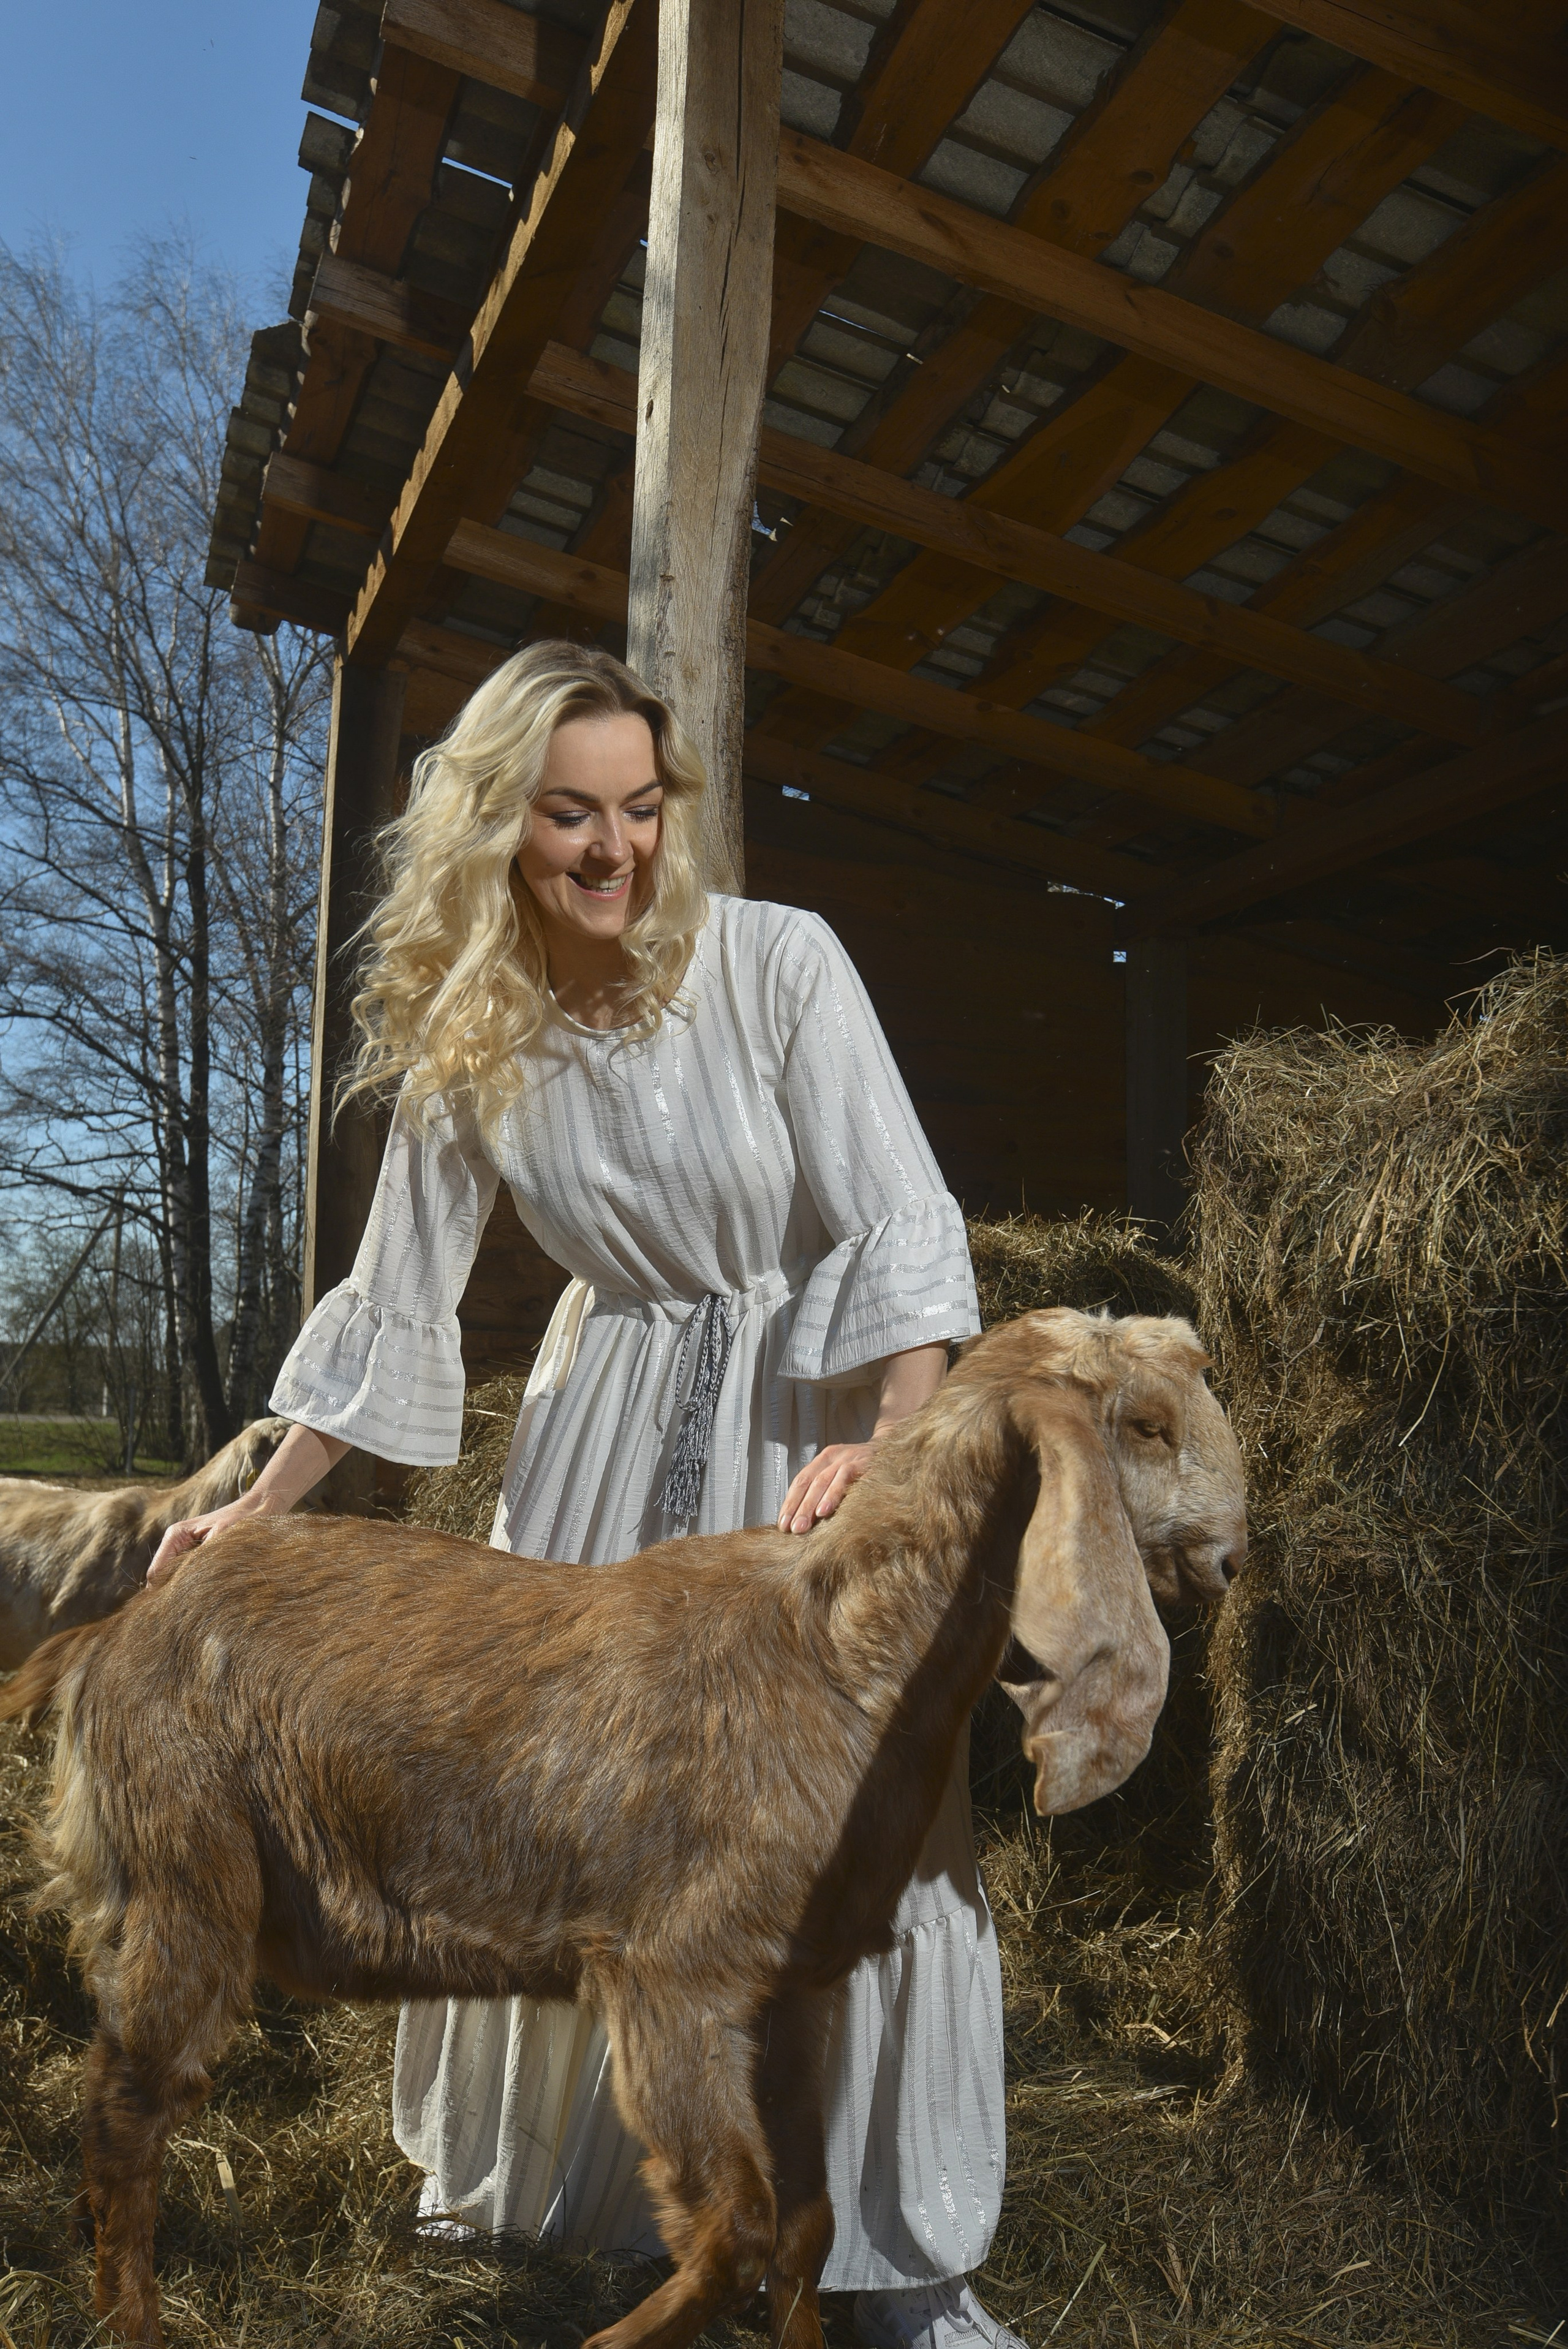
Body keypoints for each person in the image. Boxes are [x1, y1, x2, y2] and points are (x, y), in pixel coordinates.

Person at [149, 641, 1022, 2349]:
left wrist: (896, 1439)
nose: (616, 849)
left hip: (804, 1439)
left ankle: (874, 2263)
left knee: (811, 1840)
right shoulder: (477, 1029)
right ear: (500, 829)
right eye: (571, 816)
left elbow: (899, 1226)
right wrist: (252, 1513)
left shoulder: (777, 965)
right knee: (566, 1822)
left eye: (639, 807)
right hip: (599, 1431)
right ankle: (587, 2200)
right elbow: (392, 1298)